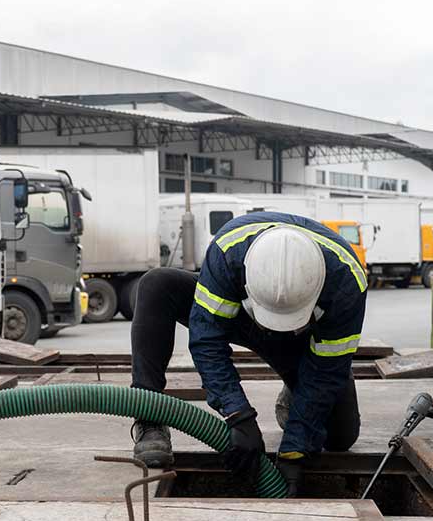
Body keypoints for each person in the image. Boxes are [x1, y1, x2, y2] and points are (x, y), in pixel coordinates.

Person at [130, 211, 367, 496]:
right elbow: (207, 342)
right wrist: (238, 415)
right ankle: (148, 416)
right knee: (156, 285)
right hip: (239, 316)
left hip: (301, 342)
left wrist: (295, 449)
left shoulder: (347, 283)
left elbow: (327, 372)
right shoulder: (228, 252)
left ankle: (297, 390)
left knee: (341, 436)